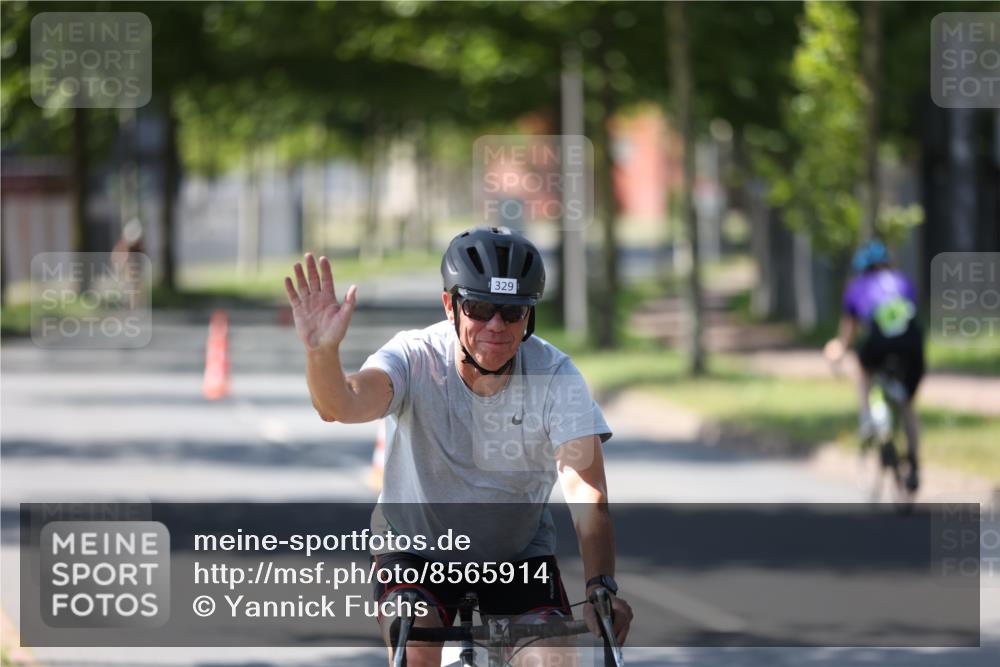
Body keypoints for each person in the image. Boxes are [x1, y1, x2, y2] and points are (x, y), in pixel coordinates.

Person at [284, 226, 632, 666]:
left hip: (515, 554)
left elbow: (587, 493)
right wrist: (322, 354)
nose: (495, 326)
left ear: (530, 315)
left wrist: (601, 585)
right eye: (480, 307)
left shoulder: (555, 376)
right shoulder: (413, 357)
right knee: (418, 646)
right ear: (450, 305)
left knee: (555, 657)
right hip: (415, 550)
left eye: (512, 311)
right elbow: (343, 404)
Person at [824, 239, 925, 492]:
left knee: (861, 367)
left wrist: (836, 352)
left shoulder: (857, 287)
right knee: (908, 407)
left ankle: (868, 415)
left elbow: (847, 336)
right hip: (913, 345)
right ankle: (913, 462)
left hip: (879, 344)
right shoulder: (903, 281)